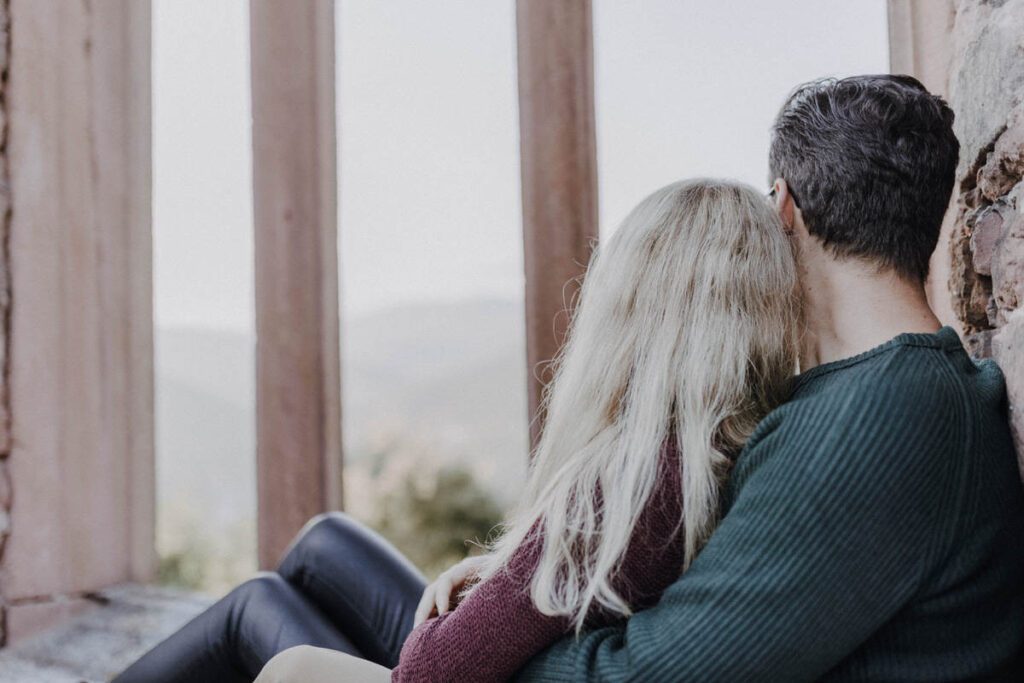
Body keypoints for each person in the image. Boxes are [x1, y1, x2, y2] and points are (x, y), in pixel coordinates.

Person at [258, 75, 1024, 681]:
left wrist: (489, 651)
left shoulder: (883, 415)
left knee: (294, 667)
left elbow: (661, 672)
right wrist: (510, 580)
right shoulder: (874, 396)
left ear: (784, 209)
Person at [114, 178, 801, 683]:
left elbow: (429, 674)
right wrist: (511, 571)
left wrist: (516, 575)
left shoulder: (634, 480)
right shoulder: (728, 443)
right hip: (518, 654)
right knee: (325, 543)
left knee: (261, 621)